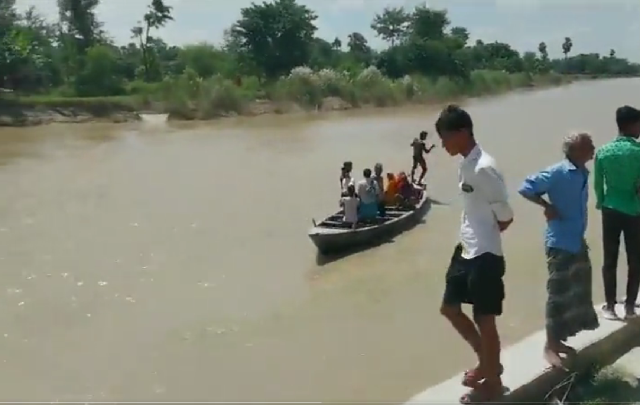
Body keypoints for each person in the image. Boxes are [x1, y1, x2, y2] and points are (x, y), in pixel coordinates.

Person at [436, 104, 513, 404]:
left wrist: (486, 238)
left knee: (485, 319)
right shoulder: (465, 164)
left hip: (486, 254)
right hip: (465, 248)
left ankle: (492, 382)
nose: (443, 144)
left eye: (445, 138)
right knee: (449, 309)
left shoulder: (485, 168)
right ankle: (488, 363)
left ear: (462, 132)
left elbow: (505, 216)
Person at [518, 133, 599, 369]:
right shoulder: (558, 172)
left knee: (578, 291)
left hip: (576, 240)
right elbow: (526, 187)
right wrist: (547, 206)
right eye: (588, 146)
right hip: (560, 242)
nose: (593, 149)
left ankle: (560, 338)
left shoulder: (582, 172)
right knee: (557, 294)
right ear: (574, 151)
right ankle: (550, 345)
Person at [594, 105, 640, 320]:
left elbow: (597, 184)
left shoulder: (603, 151)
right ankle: (630, 306)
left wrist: (602, 203)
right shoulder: (638, 152)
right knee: (635, 258)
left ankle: (610, 306)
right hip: (634, 210)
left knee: (609, 259)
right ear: (631, 125)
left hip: (610, 209)